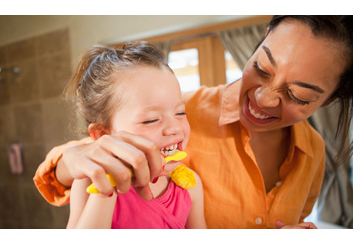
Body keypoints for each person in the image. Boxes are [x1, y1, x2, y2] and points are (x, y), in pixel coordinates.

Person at [34, 16, 353, 229]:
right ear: (262, 38)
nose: (265, 99)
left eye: (298, 94)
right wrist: (73, 160)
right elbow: (94, 151)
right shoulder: (179, 108)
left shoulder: (314, 153)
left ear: (330, 99)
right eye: (262, 68)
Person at [59, 42, 206, 228]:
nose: (175, 128)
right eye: (151, 120)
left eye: (180, 113)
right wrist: (107, 186)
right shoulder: (90, 181)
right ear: (103, 134)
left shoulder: (190, 186)